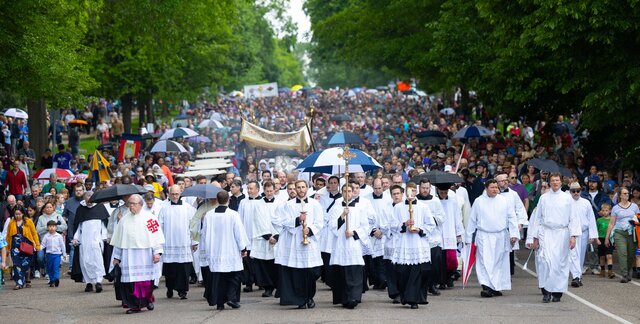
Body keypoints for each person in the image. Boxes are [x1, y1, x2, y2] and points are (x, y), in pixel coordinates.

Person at [527, 173, 580, 302]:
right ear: (549, 183)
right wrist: (535, 237)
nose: (555, 183)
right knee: (545, 261)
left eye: (557, 180)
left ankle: (557, 291)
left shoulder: (567, 198)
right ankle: (546, 291)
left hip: (562, 233)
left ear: (561, 182)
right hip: (546, 233)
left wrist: (573, 236)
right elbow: (537, 218)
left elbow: (573, 217)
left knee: (560, 264)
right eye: (553, 181)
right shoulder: (544, 198)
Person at [273, 180, 324, 309]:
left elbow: (320, 222)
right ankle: (300, 299)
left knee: (310, 272)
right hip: (295, 243)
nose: (301, 190)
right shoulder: (288, 205)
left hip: (310, 243)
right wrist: (297, 220)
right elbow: (282, 222)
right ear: (294, 189)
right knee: (298, 273)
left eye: (303, 187)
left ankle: (310, 297)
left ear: (307, 188)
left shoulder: (315, 204)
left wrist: (310, 230)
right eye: (298, 187)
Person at [111, 194, 165, 314]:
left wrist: (157, 253)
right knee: (131, 282)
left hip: (144, 255)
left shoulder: (150, 218)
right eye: (129, 203)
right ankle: (135, 305)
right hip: (129, 255)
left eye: (133, 204)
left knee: (145, 281)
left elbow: (156, 237)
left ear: (140, 205)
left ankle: (148, 300)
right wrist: (117, 257)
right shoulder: (124, 220)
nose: (131, 206)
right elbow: (119, 240)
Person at [466, 179, 518, 298]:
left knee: (498, 261)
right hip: (484, 235)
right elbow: (472, 220)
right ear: (486, 188)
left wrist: (514, 233)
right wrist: (469, 237)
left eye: (496, 187)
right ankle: (486, 286)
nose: (495, 189)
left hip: (500, 235)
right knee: (485, 261)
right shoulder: (479, 202)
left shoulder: (504, 200)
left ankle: (495, 286)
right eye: (492, 187)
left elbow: (511, 217)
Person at [198, 190, 249, 310]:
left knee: (219, 278)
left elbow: (204, 234)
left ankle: (220, 302)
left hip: (214, 252)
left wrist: (206, 249)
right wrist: (243, 248)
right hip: (230, 250)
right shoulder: (233, 214)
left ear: (217, 199)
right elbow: (239, 233)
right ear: (228, 201)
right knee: (234, 276)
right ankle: (231, 298)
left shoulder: (209, 215)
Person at [391, 183, 435, 309]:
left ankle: (415, 299)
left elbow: (431, 225)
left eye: (414, 191)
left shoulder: (423, 207)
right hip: (404, 243)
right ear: (405, 192)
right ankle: (405, 296)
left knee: (417, 272)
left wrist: (419, 230)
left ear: (416, 192)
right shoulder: (398, 207)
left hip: (418, 243)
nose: (411, 193)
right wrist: (404, 225)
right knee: (403, 272)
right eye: (409, 191)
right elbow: (392, 225)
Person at [328, 182, 369, 309]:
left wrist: (353, 232)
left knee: (354, 272)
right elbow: (332, 226)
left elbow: (365, 227)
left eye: (349, 191)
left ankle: (354, 297)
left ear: (353, 193)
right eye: (345, 191)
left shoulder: (360, 208)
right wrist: (342, 215)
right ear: (342, 193)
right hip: (340, 244)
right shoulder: (336, 208)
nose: (347, 194)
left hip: (353, 243)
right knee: (342, 272)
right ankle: (343, 298)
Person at [158, 184, 196, 299]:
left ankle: (182, 291)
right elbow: (160, 225)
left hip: (184, 241)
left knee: (183, 268)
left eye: (177, 194)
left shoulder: (188, 208)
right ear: (169, 194)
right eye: (172, 194)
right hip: (169, 242)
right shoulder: (164, 208)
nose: (175, 196)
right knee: (170, 268)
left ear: (180, 193)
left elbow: (193, 226)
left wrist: (194, 241)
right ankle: (170, 288)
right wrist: (160, 242)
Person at [71, 193, 109, 293]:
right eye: (87, 197)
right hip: (84, 241)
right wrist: (75, 238)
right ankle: (88, 282)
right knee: (85, 261)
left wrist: (105, 236)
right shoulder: (81, 209)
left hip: (97, 240)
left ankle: (98, 281)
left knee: (97, 260)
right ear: (84, 199)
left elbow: (104, 225)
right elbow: (78, 227)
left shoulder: (100, 207)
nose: (89, 200)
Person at [250, 181, 280, 298]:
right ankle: (268, 288)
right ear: (264, 190)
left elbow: (282, 220)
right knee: (265, 265)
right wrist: (268, 236)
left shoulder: (280, 203)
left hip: (277, 238)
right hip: (264, 238)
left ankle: (279, 287)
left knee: (277, 264)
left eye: (271, 191)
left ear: (274, 190)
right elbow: (258, 221)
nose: (269, 193)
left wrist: (277, 236)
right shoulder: (258, 204)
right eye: (267, 191)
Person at [604, 187, 640, 283]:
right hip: (619, 232)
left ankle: (628, 271)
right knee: (622, 253)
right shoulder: (615, 208)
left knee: (631, 254)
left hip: (632, 233)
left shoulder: (634, 206)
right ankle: (624, 274)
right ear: (620, 195)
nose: (627, 195)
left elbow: (639, 220)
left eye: (628, 193)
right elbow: (611, 223)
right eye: (624, 193)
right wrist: (607, 238)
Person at [580, 174, 612, 275]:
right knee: (584, 246)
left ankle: (594, 266)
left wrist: (604, 212)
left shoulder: (604, 195)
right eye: (590, 182)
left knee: (595, 246)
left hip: (598, 223)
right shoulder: (583, 195)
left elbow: (610, 206)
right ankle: (584, 265)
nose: (591, 184)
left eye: (594, 182)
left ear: (598, 183)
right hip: (585, 223)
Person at [568, 182, 598, 287]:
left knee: (580, 255)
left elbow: (591, 219)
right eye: (573, 191)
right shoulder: (566, 202)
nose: (576, 193)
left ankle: (578, 276)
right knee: (573, 254)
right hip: (570, 233)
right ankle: (575, 276)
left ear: (581, 191)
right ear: (570, 191)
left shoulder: (586, 203)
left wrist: (592, 235)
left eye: (578, 191)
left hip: (583, 233)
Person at [6, 206, 40, 289]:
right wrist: (7, 247)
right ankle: (19, 283)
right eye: (16, 214)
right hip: (15, 246)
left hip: (26, 245)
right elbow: (8, 235)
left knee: (26, 263)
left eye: (19, 214)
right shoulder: (11, 222)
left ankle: (27, 279)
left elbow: (34, 233)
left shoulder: (28, 221)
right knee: (16, 264)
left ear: (23, 213)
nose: (17, 216)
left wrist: (37, 244)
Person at [238, 180, 261, 292]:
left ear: (257, 189)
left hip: (259, 235)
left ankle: (260, 282)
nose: (249, 190)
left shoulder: (262, 201)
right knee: (247, 262)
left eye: (251, 188)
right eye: (248, 188)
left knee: (259, 261)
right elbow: (240, 219)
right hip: (247, 234)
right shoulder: (243, 202)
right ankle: (248, 283)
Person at [41, 220, 65, 287]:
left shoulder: (59, 236)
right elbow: (43, 245)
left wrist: (64, 253)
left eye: (53, 226)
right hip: (49, 254)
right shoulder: (46, 236)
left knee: (56, 267)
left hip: (57, 254)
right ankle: (51, 281)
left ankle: (56, 279)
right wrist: (38, 248)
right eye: (50, 226)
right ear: (47, 227)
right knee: (50, 268)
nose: (52, 228)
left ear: (56, 227)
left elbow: (62, 245)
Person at [596, 203, 615, 279]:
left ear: (610, 211)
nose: (605, 212)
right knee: (602, 256)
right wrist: (596, 239)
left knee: (609, 255)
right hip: (601, 239)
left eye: (606, 210)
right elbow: (596, 230)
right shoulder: (599, 220)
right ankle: (603, 270)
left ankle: (610, 271)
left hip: (609, 239)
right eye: (603, 210)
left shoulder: (612, 220)